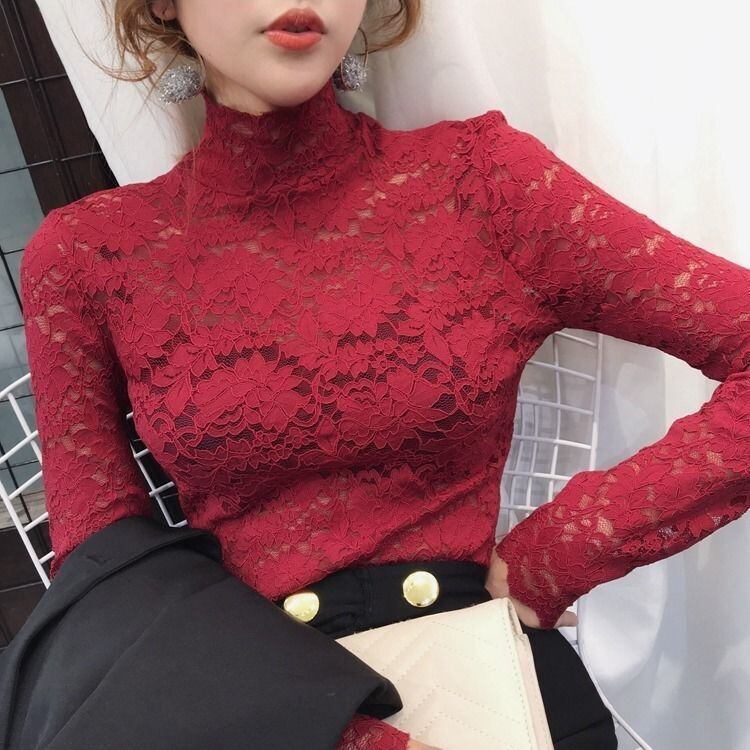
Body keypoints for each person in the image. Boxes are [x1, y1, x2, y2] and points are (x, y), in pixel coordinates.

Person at [18, 0, 750, 747]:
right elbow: (104, 566)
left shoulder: (481, 183)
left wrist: (561, 552)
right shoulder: (89, 258)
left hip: (493, 694)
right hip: (254, 709)